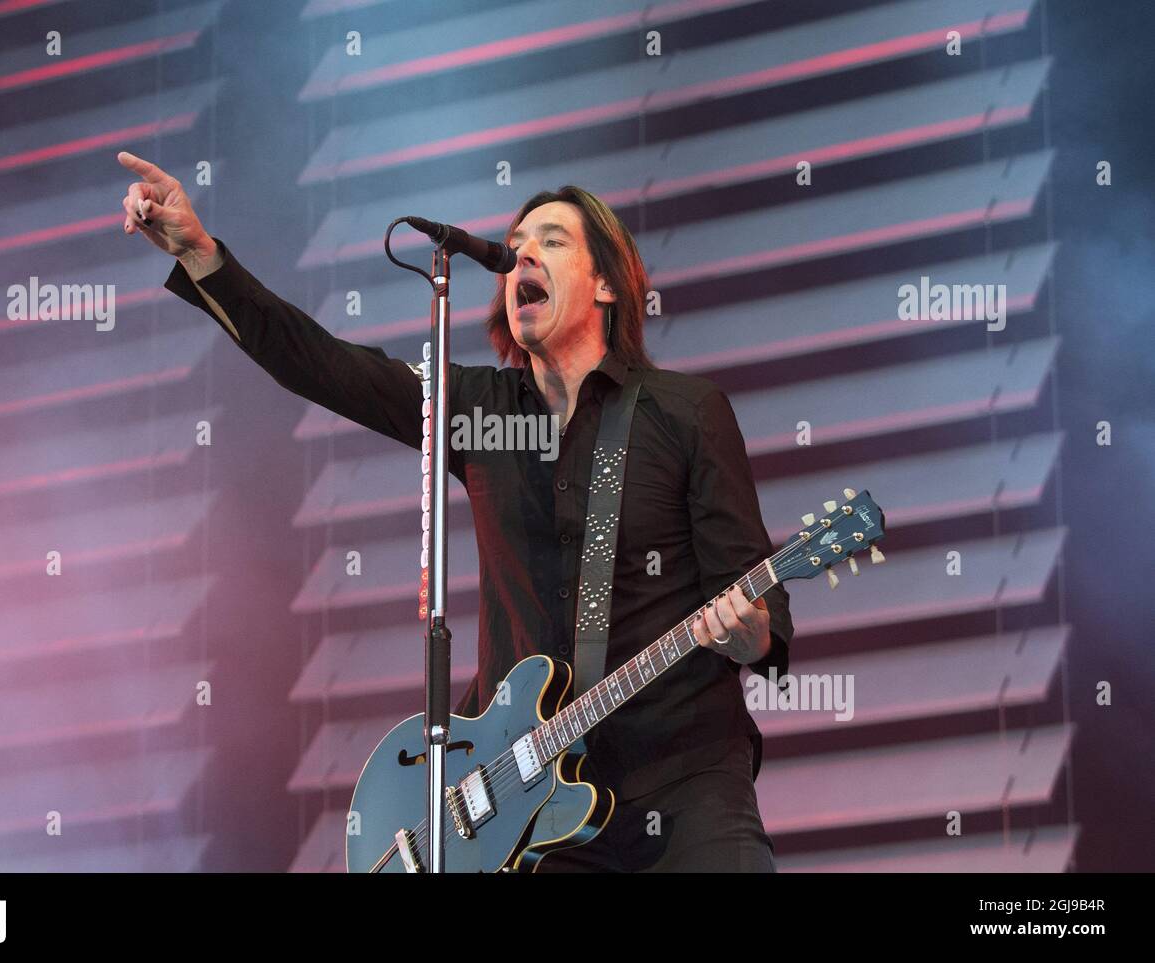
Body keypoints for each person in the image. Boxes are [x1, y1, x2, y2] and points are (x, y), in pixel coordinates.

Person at [116, 150, 794, 872]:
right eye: (518, 244)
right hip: (536, 806)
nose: (524, 254)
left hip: (684, 778)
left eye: (553, 241)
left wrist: (749, 632)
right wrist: (202, 254)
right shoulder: (476, 408)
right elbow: (320, 362)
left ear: (605, 285)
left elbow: (755, 600)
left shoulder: (686, 412)